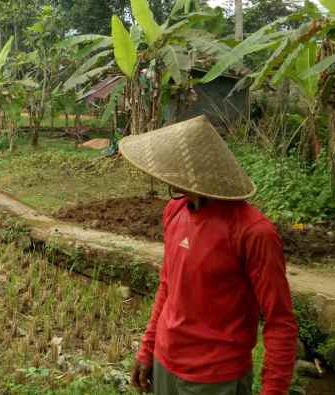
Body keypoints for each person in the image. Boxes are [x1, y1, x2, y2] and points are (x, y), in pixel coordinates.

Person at [119, 116, 298, 395]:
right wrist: (147, 348)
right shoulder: (175, 211)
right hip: (165, 364)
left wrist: (274, 389)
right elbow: (168, 286)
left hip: (216, 379)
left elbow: (280, 320)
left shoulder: (254, 232)